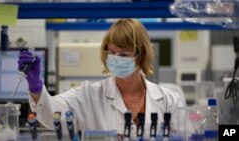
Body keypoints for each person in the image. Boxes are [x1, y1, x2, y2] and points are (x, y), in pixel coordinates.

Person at [18, 19, 182, 139]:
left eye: (123, 54)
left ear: (141, 56)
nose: (116, 59)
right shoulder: (89, 95)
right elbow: (52, 116)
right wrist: (36, 87)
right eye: (111, 52)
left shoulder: (168, 100)